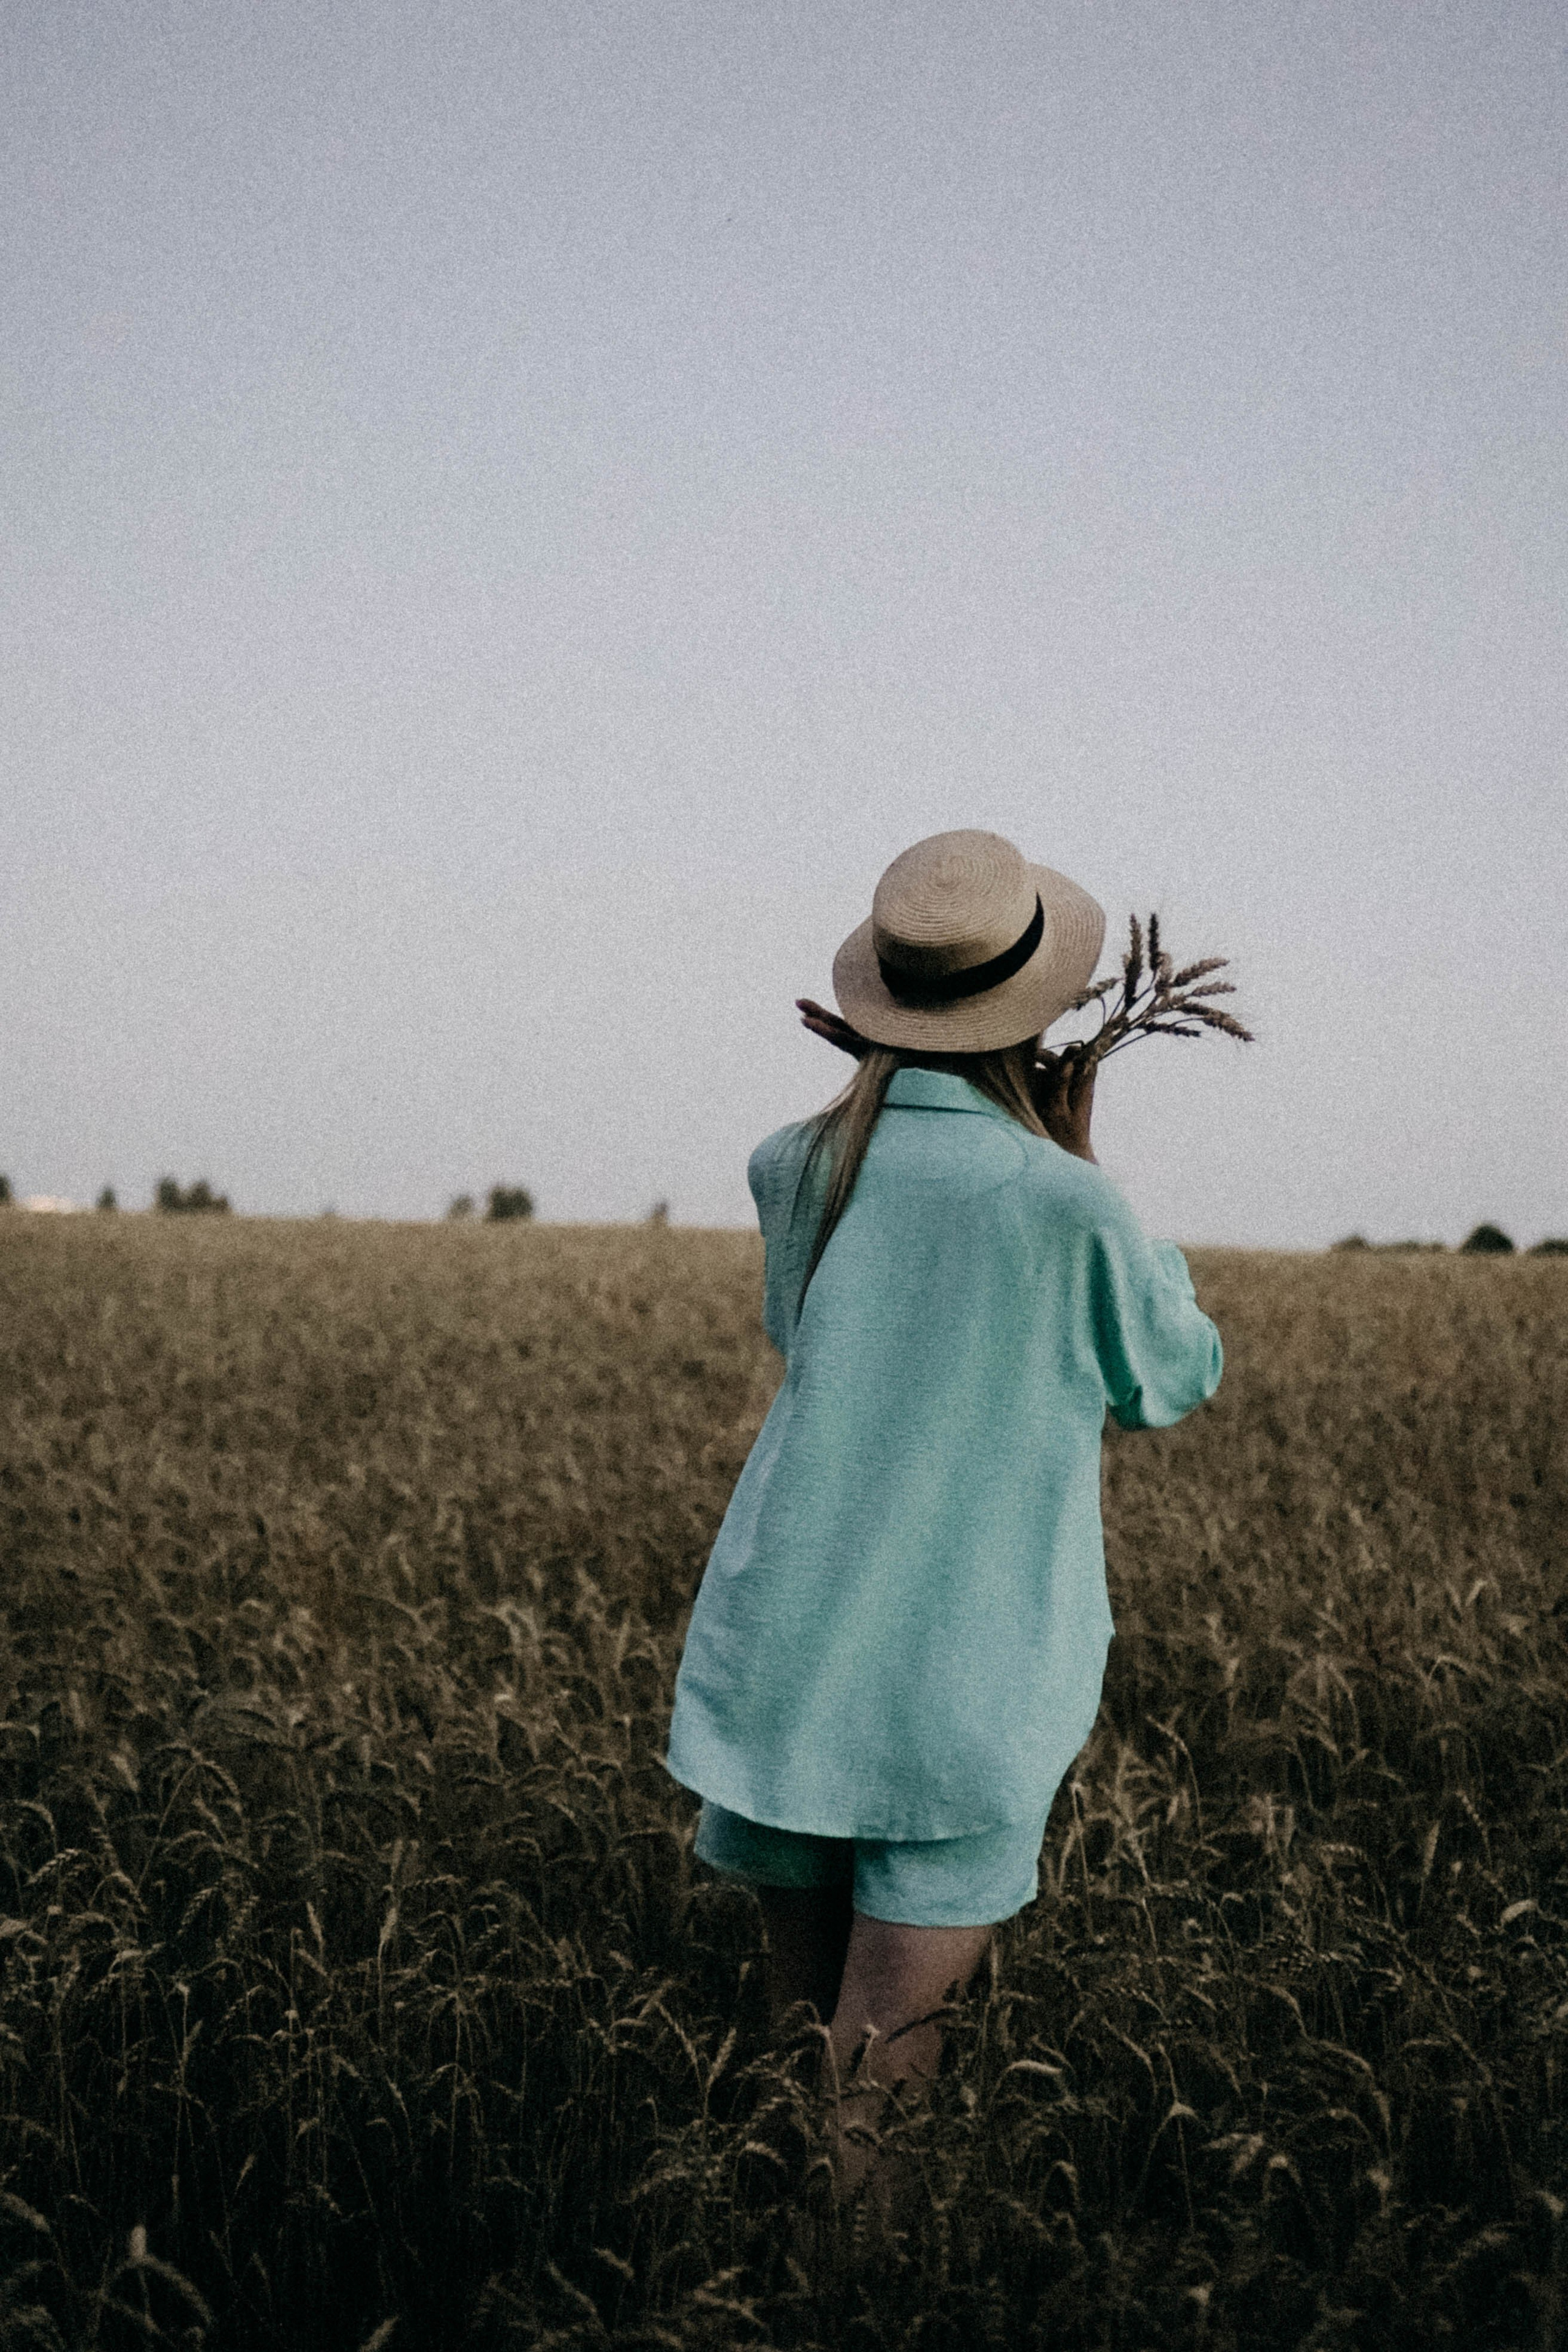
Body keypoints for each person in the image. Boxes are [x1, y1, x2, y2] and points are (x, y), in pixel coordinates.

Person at [663, 828, 1223, 2206]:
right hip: (958, 1691)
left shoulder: (793, 1163)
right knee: (880, 2086)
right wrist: (1089, 1172)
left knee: (800, 2055)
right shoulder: (1062, 1203)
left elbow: (814, 1335)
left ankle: (744, 2283)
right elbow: (1164, 1383)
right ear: (1038, 1012)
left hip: (789, 1660)